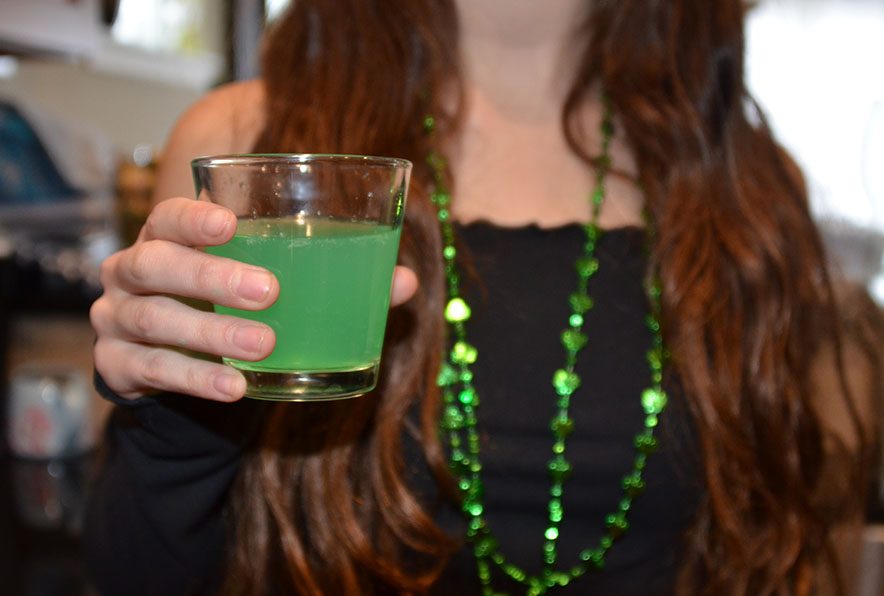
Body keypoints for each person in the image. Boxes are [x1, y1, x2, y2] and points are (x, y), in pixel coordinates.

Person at [84, 1, 881, 595]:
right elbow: (137, 573)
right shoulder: (242, 145)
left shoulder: (747, 186)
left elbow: (785, 554)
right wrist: (170, 425)